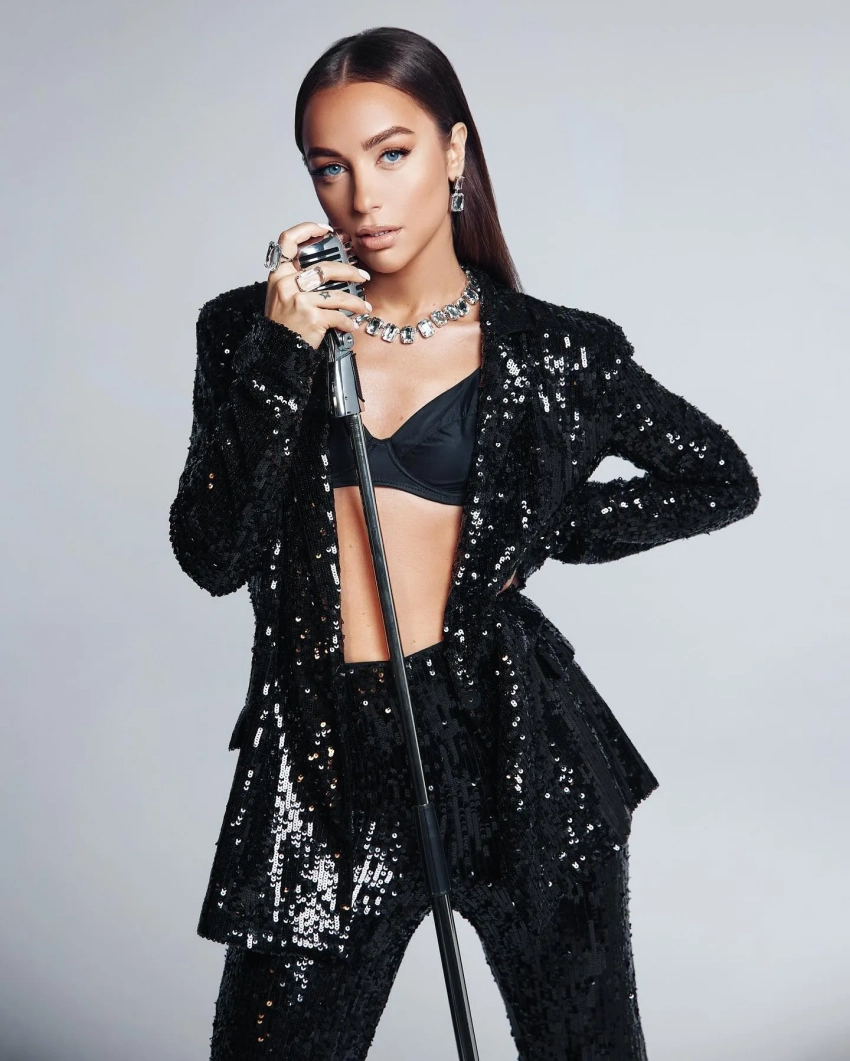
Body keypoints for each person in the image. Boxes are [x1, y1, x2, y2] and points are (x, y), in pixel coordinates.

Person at [168, 26, 761, 1061]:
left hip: (515, 743)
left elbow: (721, 478)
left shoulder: (557, 350)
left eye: (391, 153)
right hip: (322, 757)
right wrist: (284, 352)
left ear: (453, 150)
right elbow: (213, 554)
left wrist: (553, 528)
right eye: (329, 167)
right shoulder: (246, 333)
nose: (362, 197)